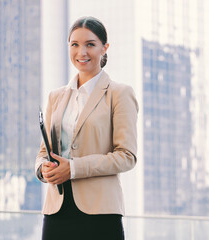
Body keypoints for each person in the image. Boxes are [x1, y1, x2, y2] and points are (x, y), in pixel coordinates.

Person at [35, 16, 138, 240]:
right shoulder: (56, 97)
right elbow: (44, 153)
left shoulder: (119, 94)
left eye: (90, 44)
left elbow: (126, 156)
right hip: (57, 212)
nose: (82, 52)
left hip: (100, 214)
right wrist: (43, 169)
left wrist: (73, 168)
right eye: (75, 45)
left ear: (104, 48)